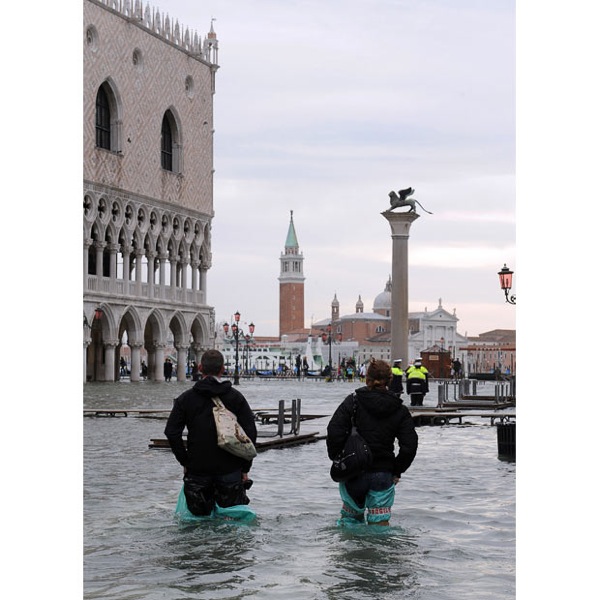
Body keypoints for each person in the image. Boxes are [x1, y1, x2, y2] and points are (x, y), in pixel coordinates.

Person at [164, 349, 258, 516]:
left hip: (198, 470)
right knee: (232, 525)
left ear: (200, 368)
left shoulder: (186, 399)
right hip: (230, 469)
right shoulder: (236, 398)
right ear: (222, 369)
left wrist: (185, 461)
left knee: (197, 525)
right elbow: (251, 432)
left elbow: (172, 432)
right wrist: (245, 467)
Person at [326, 359, 418, 526]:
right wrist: (397, 471)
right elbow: (409, 446)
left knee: (350, 524)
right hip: (383, 473)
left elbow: (334, 431)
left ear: (366, 378)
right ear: (390, 380)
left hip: (353, 471)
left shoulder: (352, 402)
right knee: (380, 530)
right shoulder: (399, 409)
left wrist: (337, 459)